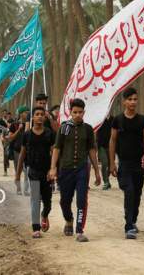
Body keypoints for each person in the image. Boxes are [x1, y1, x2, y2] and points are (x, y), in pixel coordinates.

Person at [48, 98, 101, 243]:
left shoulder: (88, 129)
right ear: (70, 112)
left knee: (82, 199)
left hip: (82, 169)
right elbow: (57, 149)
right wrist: (53, 168)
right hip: (65, 169)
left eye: (80, 112)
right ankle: (69, 219)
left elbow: (91, 150)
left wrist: (96, 171)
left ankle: (79, 230)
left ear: (84, 112)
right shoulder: (64, 128)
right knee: (65, 201)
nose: (78, 115)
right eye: (75, 112)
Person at [109, 88, 144, 239]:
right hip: (124, 163)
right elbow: (112, 141)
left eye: (135, 99)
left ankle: (132, 220)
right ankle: (128, 226)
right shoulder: (117, 120)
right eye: (130, 99)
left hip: (139, 163)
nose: (133, 102)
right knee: (129, 191)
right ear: (124, 101)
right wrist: (112, 162)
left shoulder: (142, 120)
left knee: (137, 193)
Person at [16, 107, 55, 238]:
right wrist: (17, 174)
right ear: (32, 118)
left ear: (44, 117)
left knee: (48, 202)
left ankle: (44, 215)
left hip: (47, 172)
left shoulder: (49, 134)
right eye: (36, 114)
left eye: (41, 114)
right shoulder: (27, 135)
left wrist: (53, 169)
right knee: (35, 200)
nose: (39, 116)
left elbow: (54, 152)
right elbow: (22, 154)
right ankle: (36, 228)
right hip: (33, 171)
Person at [8, 106, 30, 195]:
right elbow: (10, 138)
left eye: (28, 112)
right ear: (21, 114)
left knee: (27, 171)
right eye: (26, 112)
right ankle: (18, 188)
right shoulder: (14, 125)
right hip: (17, 151)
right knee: (18, 170)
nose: (28, 113)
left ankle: (26, 189)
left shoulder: (30, 123)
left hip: (27, 151)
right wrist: (18, 129)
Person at [97, 114, 113, 190]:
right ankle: (106, 182)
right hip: (102, 146)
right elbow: (97, 133)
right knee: (105, 163)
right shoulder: (100, 119)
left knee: (110, 165)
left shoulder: (114, 120)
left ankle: (107, 180)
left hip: (111, 147)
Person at [0, 110, 12, 176]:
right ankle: (5, 171)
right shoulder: (4, 129)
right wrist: (3, 139)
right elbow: (1, 136)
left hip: (13, 146)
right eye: (8, 123)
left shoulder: (14, 130)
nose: (9, 124)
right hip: (6, 145)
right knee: (5, 157)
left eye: (10, 123)